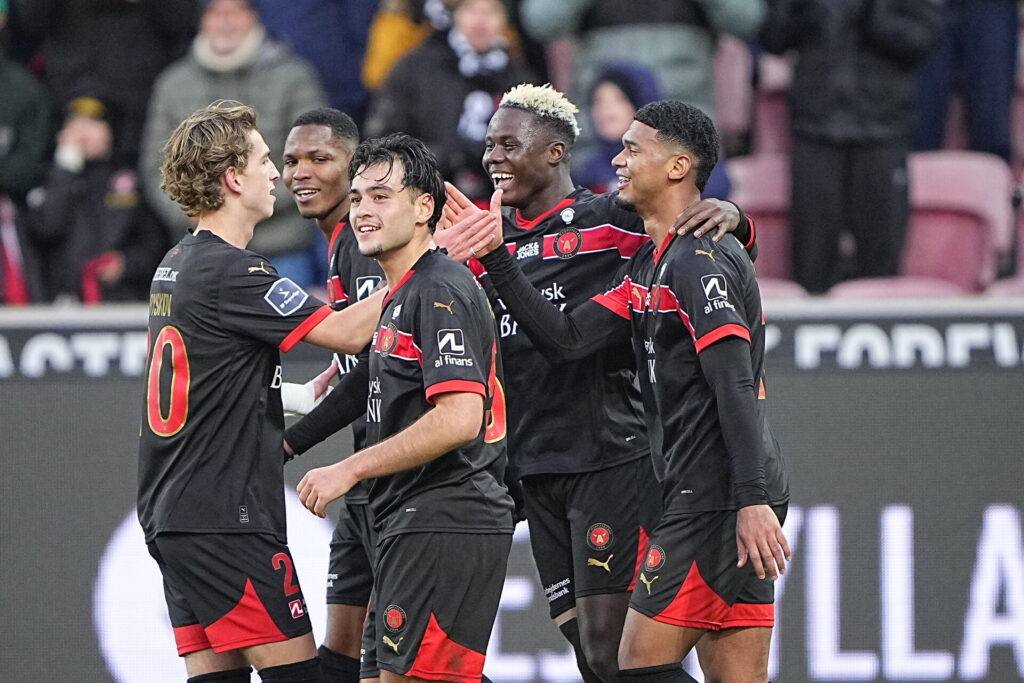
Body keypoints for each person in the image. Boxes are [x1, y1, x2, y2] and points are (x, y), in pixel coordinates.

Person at [450, 99, 790, 683]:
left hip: (691, 485)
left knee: (627, 662)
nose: (619, 159)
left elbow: (734, 381)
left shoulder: (682, 253)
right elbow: (570, 335)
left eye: (633, 149)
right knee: (662, 661)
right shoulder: (647, 271)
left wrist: (752, 497)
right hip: (580, 471)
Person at [138, 101, 386, 683]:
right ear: (232, 178)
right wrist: (435, 258)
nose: (277, 173)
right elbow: (351, 333)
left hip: (174, 515)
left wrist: (296, 396)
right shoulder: (236, 272)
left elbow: (211, 383)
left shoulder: (174, 265)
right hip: (228, 520)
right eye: (265, 159)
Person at [296, 133, 515, 683]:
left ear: (424, 208)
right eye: (358, 198)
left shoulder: (439, 290)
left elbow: (460, 417)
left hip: (446, 515)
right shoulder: (401, 295)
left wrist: (350, 468)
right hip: (405, 517)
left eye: (381, 196)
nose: (363, 212)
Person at [277, 107, 385, 683]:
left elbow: (376, 369)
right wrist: (319, 386)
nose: (302, 172)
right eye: (292, 159)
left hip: (400, 480)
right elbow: (357, 368)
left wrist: (290, 446)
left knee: (403, 666)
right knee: (340, 662)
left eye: (321, 159)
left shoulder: (363, 244)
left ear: (356, 167)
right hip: (367, 484)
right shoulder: (341, 244)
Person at [760, 0, 943, 292]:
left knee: (881, 266)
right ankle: (811, 332)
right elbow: (773, 38)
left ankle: (883, 330)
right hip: (815, 128)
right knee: (812, 264)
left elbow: (922, 40)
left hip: (883, 129)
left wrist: (871, 12)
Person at [141, 0, 327, 286]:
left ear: (254, 17)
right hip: (200, 246)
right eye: (215, 13)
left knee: (291, 330)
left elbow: (317, 159)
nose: (225, 22)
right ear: (203, 20)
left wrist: (253, 205)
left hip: (281, 247)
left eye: (234, 12)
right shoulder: (173, 83)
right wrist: (201, 211)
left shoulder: (293, 77)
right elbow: (156, 167)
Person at [365, 0, 535, 201]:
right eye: (472, 10)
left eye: (491, 11)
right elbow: (383, 140)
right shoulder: (415, 67)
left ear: (505, 20)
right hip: (425, 196)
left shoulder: (520, 81)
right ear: (456, 15)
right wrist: (444, 158)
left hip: (497, 204)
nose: (480, 21)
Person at [27, 94, 167, 302]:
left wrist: (125, 264)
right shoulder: (47, 178)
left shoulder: (132, 181)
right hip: (60, 305)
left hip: (121, 303)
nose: (83, 133)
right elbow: (46, 228)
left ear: (110, 131)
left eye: (93, 123)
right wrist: (64, 169)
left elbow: (155, 245)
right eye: (75, 123)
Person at [576, 62, 732, 201]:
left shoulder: (680, 155)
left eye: (619, 99)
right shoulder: (588, 173)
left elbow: (716, 188)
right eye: (598, 101)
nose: (606, 109)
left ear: (642, 105)